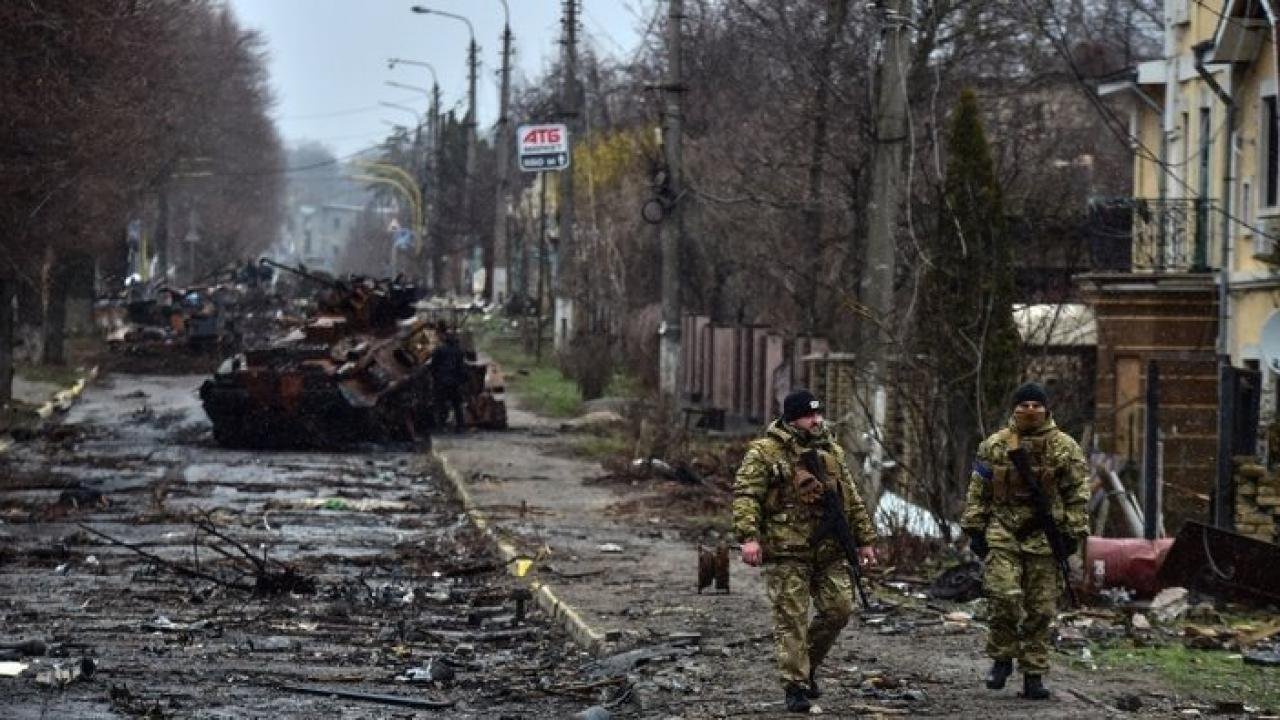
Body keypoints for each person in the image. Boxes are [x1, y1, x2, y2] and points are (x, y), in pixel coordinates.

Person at [733, 390, 878, 713]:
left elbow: (850, 499)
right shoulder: (766, 453)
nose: (817, 420)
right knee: (792, 620)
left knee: (839, 609)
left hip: (829, 551)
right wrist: (749, 537)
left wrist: (865, 539)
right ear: (792, 417)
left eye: (819, 414)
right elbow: (746, 495)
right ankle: (795, 685)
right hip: (787, 551)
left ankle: (806, 665)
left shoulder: (831, 450)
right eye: (809, 415)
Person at [960, 381, 1089, 700]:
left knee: (1042, 608)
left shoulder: (1065, 447)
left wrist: (1072, 533)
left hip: (1046, 537)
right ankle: (1002, 657)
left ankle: (1034, 673)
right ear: (1013, 409)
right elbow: (979, 489)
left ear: (1047, 409)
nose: (1030, 411)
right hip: (1003, 531)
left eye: (1036, 405)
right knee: (1003, 596)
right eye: (1023, 405)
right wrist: (975, 529)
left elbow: (1077, 494)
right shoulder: (995, 445)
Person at [429, 326, 467, 433]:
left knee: (441, 404)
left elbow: (433, 365)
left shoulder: (439, 350)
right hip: (455, 382)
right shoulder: (459, 351)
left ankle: (441, 426)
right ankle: (460, 426)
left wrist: (434, 377)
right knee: (456, 404)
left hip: (442, 382)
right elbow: (461, 366)